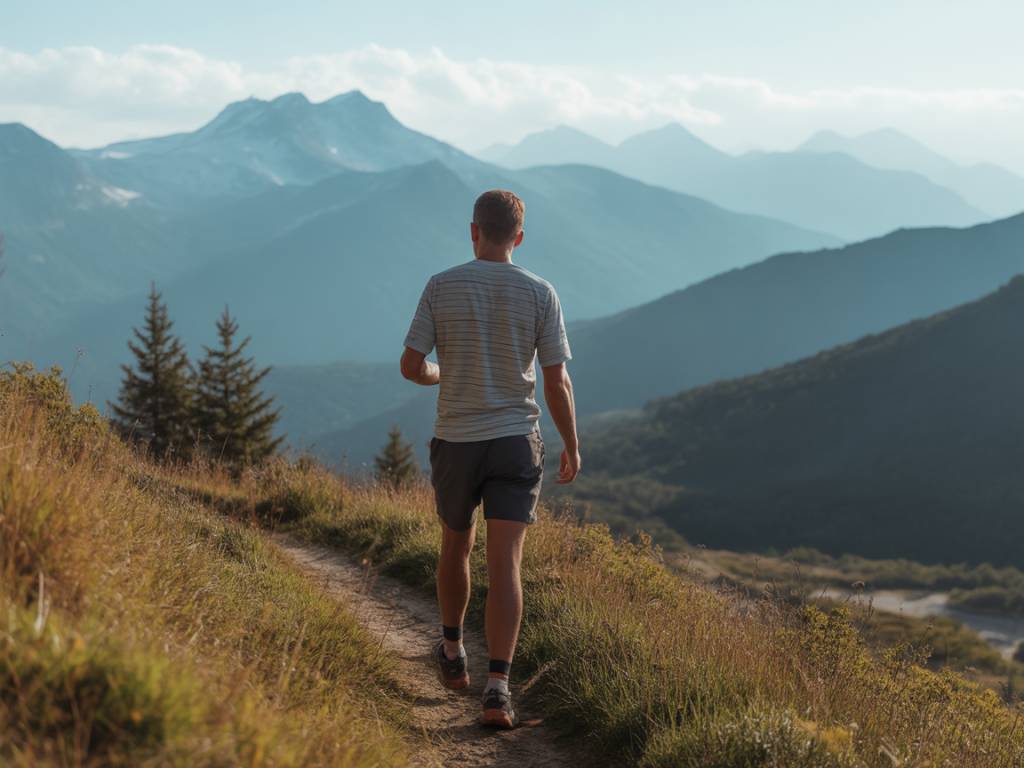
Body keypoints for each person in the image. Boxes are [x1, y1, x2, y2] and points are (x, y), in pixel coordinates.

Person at [400, 189, 580, 729]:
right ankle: (498, 690)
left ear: (473, 231)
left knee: (456, 542)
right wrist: (571, 444)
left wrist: (440, 374)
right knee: (506, 563)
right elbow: (556, 380)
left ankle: (453, 651)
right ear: (518, 237)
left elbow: (412, 365)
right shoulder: (541, 292)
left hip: (457, 439)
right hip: (515, 441)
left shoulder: (441, 285)